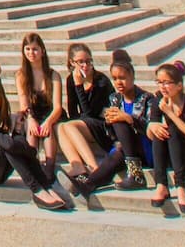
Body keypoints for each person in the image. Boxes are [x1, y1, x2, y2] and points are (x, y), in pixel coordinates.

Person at [0, 77, 69, 211]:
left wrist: (19, 132)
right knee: (7, 144)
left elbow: (13, 143)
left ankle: (46, 186)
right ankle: (37, 190)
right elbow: (7, 145)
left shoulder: (1, 117)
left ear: (1, 97)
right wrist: (30, 150)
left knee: (13, 143)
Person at [64, 51, 156, 197]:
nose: (118, 82)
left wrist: (128, 118)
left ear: (132, 77)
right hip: (123, 149)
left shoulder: (147, 99)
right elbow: (112, 133)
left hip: (145, 149)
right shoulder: (115, 98)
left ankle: (136, 174)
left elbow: (151, 130)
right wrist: (108, 122)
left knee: (120, 122)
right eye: (115, 78)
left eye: (122, 78)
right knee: (116, 153)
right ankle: (87, 185)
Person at [146, 61, 185, 213]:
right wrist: (151, 126)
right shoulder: (158, 100)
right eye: (159, 82)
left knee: (171, 127)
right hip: (172, 157)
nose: (162, 86)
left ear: (179, 85)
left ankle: (181, 187)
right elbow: (151, 135)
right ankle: (161, 184)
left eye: (166, 83)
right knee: (159, 129)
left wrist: (170, 113)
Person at [55, 44, 111, 174]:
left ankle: (94, 168)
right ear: (72, 62)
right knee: (60, 127)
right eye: (80, 62)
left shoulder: (101, 81)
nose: (85, 65)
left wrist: (79, 86)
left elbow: (89, 113)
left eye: (88, 61)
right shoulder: (70, 79)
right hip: (86, 123)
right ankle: (77, 166)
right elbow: (73, 111)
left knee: (69, 126)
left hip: (103, 124)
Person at [16, 34, 64, 165]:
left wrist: (48, 122)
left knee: (47, 131)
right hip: (32, 113)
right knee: (32, 131)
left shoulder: (54, 75)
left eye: (35, 49)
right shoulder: (21, 75)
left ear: (42, 51)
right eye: (28, 49)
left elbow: (58, 107)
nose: (31, 53)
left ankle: (49, 168)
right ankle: (33, 167)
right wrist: (31, 119)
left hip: (51, 114)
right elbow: (23, 104)